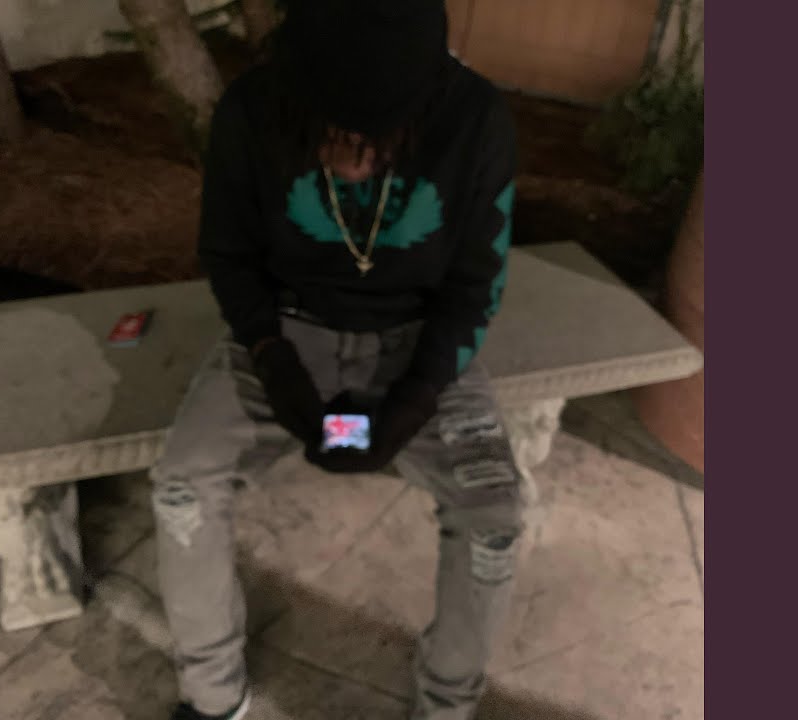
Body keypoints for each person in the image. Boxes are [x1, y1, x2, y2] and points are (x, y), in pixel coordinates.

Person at [152, 1, 522, 718]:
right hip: (287, 327)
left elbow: (476, 285)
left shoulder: (476, 119)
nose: (352, 161)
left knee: (494, 517)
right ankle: (212, 697)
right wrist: (272, 358)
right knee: (181, 489)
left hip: (419, 337)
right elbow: (228, 255)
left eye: (375, 137)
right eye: (333, 131)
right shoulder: (249, 109)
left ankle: (447, 705)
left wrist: (418, 396)